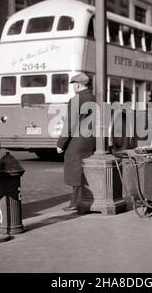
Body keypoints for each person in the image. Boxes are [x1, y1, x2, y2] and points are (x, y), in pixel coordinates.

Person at [57, 73, 96, 211]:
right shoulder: (94, 98)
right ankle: (81, 200)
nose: (73, 87)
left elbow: (70, 124)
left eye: (73, 84)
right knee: (84, 170)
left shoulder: (75, 99)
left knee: (75, 171)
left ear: (77, 84)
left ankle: (77, 203)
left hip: (77, 141)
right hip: (90, 140)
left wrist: (61, 144)